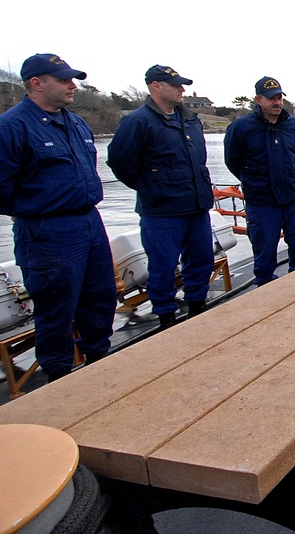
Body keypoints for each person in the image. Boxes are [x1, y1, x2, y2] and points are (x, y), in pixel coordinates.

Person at [0, 54, 118, 382]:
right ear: (37, 83)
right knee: (56, 312)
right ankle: (59, 383)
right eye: (64, 79)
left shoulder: (76, 123)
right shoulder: (11, 127)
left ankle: (98, 367)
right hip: (48, 231)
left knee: (101, 299)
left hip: (89, 223)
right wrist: (37, 209)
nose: (72, 85)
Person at [107, 65, 216, 330]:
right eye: (175, 85)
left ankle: (197, 307)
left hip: (196, 206)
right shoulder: (138, 122)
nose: (182, 89)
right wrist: (152, 187)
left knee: (202, 259)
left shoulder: (190, 120)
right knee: (163, 266)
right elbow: (120, 162)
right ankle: (166, 316)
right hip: (162, 212)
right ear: (156, 86)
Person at [224, 77, 295, 285]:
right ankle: (264, 293)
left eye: (280, 97)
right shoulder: (241, 128)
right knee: (264, 255)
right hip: (262, 203)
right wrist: (256, 182)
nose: (277, 102)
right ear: (259, 100)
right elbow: (232, 161)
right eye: (272, 98)